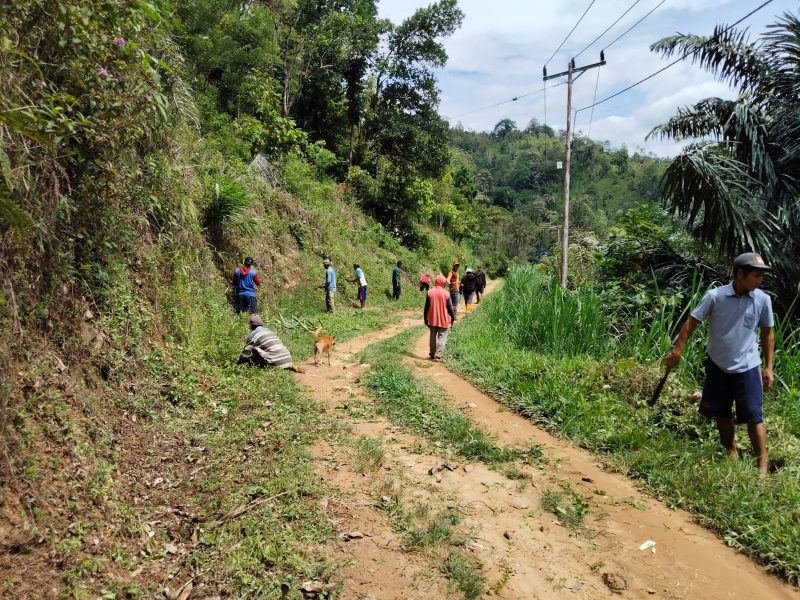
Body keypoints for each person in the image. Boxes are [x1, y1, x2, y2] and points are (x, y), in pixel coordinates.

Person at [665, 252, 775, 474]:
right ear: (740, 274)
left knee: (754, 416)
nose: (759, 280)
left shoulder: (763, 299)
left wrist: (769, 367)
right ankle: (731, 452)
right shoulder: (715, 297)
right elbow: (691, 323)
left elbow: (767, 334)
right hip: (718, 365)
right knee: (721, 413)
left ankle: (762, 467)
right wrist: (677, 351)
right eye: (756, 275)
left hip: (748, 366)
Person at [238, 314, 304, 372]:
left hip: (275, 362)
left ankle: (263, 365)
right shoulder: (269, 331)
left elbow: (246, 353)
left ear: (251, 325)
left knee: (254, 349)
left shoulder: (253, 334)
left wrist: (238, 363)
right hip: (288, 359)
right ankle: (288, 366)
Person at [424, 274, 456, 360]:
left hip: (432, 318)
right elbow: (450, 307)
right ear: (443, 283)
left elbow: (426, 307)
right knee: (442, 336)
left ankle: (432, 353)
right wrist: (453, 317)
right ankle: (438, 354)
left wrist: (425, 319)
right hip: (443, 319)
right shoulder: (446, 293)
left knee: (432, 336)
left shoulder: (430, 292)